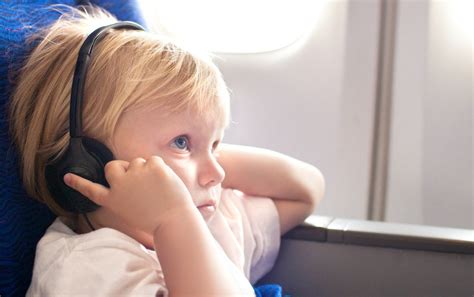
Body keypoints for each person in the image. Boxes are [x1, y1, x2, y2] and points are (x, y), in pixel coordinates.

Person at [8, 5, 325, 296]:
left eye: (216, 143)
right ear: (85, 164)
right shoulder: (85, 270)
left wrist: (201, 160)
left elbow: (306, 189)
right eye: (181, 142)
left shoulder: (207, 219)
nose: (218, 174)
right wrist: (173, 219)